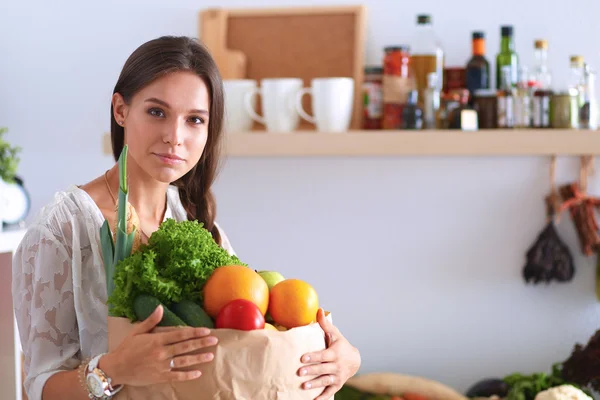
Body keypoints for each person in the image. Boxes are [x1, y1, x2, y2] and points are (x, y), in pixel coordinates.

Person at [11, 35, 361, 400]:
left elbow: (247, 334)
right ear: (120, 110)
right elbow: (38, 386)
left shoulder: (197, 221)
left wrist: (341, 356)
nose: (174, 137)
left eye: (194, 120)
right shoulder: (60, 230)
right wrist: (112, 371)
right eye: (157, 112)